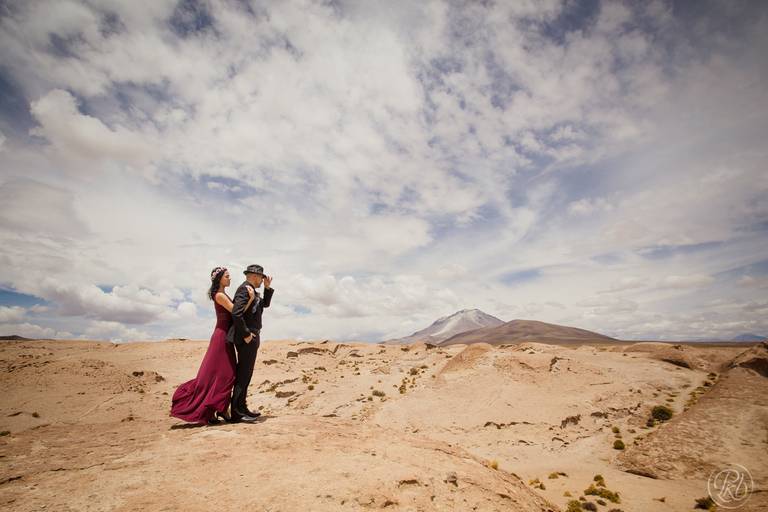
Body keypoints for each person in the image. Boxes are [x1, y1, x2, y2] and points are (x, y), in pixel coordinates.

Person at [170, 267, 237, 425]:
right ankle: (217, 410)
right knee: (224, 375)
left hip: (225, 336)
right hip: (221, 337)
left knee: (224, 375)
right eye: (227, 276)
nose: (230, 279)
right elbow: (235, 311)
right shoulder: (220, 295)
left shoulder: (223, 294)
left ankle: (218, 409)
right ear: (219, 278)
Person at [227, 263, 274, 422]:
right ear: (254, 276)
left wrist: (267, 288)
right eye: (261, 278)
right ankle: (237, 412)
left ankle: (242, 407)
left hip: (253, 336)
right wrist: (246, 335)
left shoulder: (253, 290)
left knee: (246, 374)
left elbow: (264, 305)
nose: (262, 280)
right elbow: (236, 313)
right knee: (243, 374)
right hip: (247, 337)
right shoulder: (244, 289)